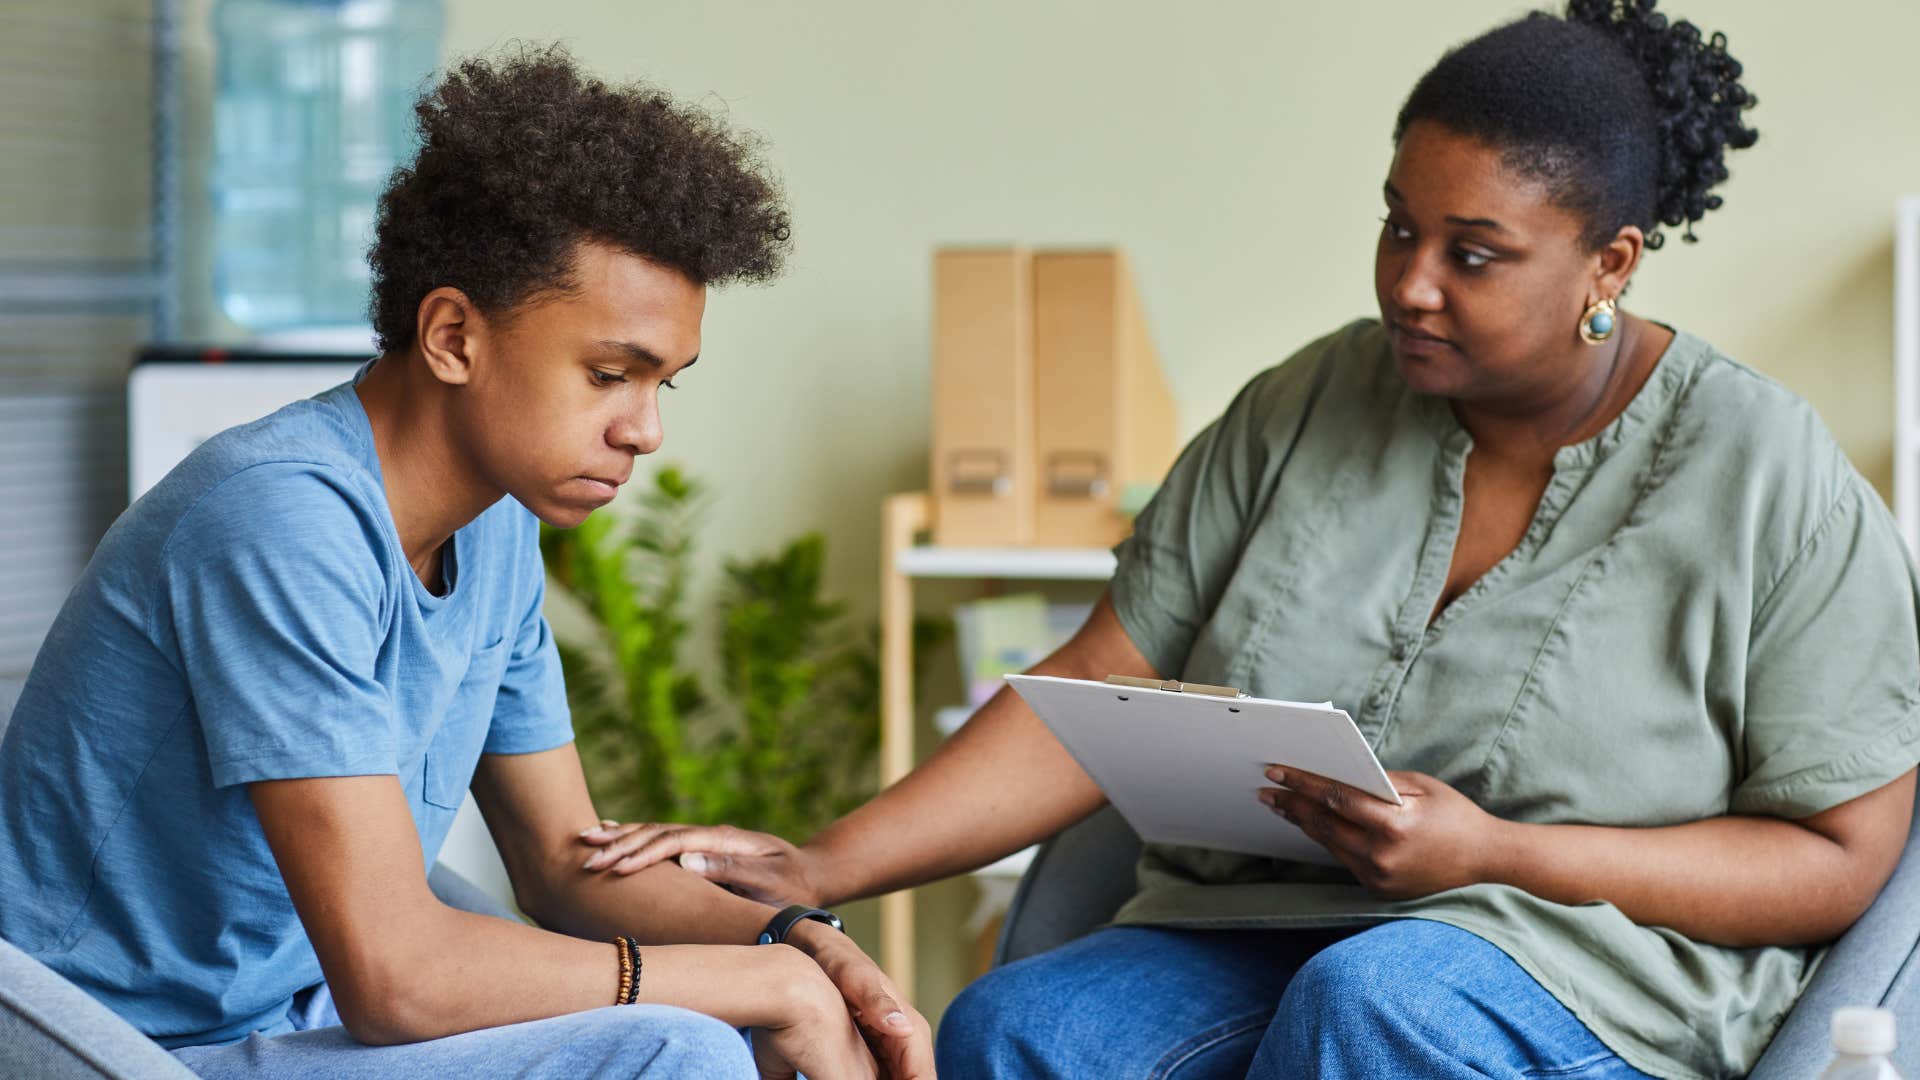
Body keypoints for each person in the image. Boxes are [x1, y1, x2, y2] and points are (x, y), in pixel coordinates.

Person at [579, 3, 1920, 1077]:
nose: (1409, 283)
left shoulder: (1768, 478)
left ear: (1612, 266)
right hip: (1258, 929)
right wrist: (824, 862)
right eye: (1399, 225)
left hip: (1584, 974)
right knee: (1019, 1028)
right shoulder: (1306, 402)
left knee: (1374, 1006)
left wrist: (1499, 853)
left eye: (1474, 253)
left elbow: (1842, 860)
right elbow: (1102, 680)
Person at [0, 46, 932, 1080]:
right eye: (610, 375)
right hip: (117, 1049)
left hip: (292, 1007)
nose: (646, 431)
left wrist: (797, 942)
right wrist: (750, 985)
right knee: (678, 1049)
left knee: (732, 1019)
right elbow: (398, 976)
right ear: (452, 335)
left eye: (666, 384)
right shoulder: (279, 521)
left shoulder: (494, 528)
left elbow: (563, 862)